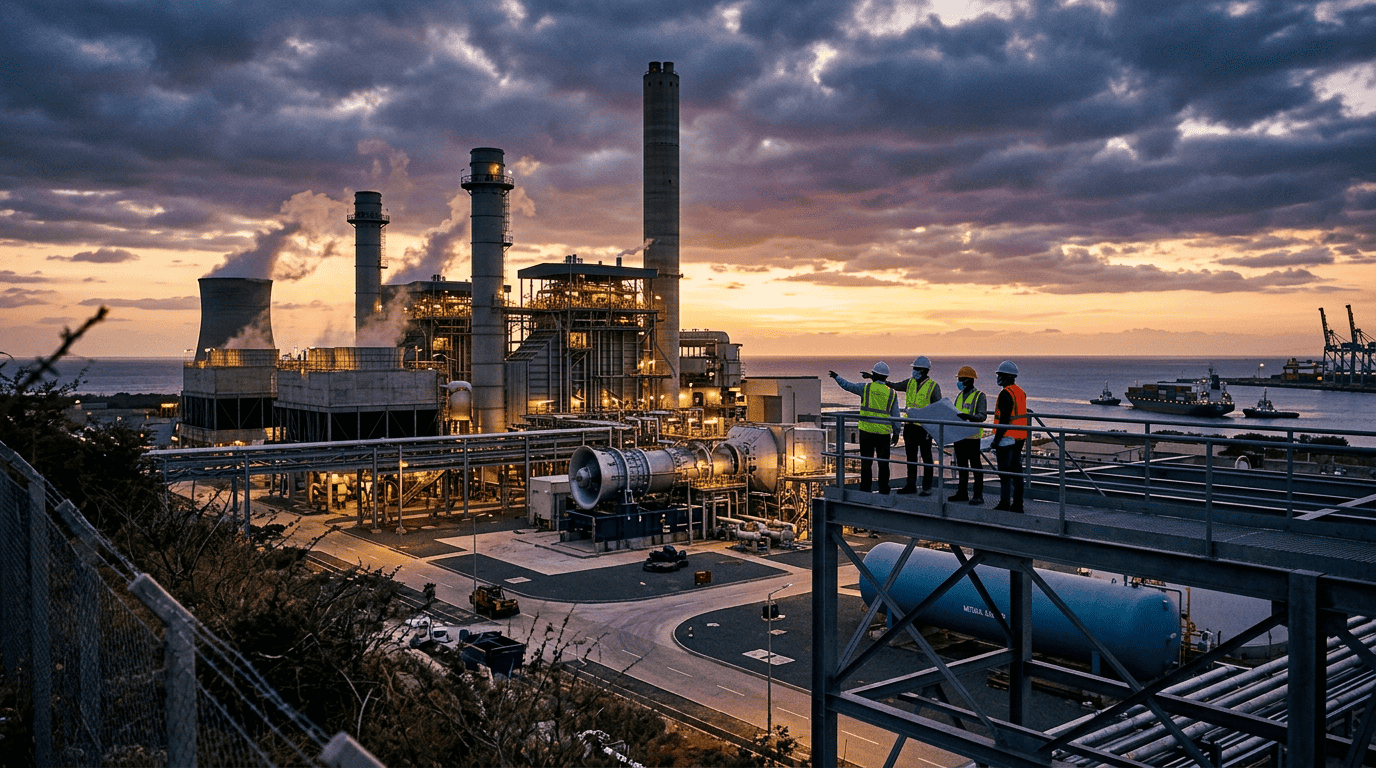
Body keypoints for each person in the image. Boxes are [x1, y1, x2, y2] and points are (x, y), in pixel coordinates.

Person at [828, 362, 900, 493]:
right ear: (886, 377)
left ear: (874, 374)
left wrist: (836, 377)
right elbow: (896, 416)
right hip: (883, 434)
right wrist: (896, 433)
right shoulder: (892, 393)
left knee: (866, 463)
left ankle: (865, 489)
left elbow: (847, 385)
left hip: (866, 432)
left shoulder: (865, 388)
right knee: (883, 463)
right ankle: (884, 489)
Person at [882, 356, 942, 495]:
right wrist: (880, 379)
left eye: (915, 368)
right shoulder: (909, 383)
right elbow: (895, 385)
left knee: (927, 457)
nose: (913, 371)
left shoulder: (933, 387)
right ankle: (911, 485)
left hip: (924, 428)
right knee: (911, 458)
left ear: (923, 370)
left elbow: (938, 408)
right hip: (909, 426)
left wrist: (932, 428)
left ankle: (927, 487)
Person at [991, 360, 1028, 513]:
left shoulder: (1005, 393)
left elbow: (1004, 419)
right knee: (1016, 472)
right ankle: (1018, 504)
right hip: (1020, 436)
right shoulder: (1020, 392)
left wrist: (995, 440)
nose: (998, 378)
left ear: (1007, 376)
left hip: (1007, 438)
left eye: (1000, 375)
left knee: (1005, 473)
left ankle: (1004, 502)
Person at [948, 365, 987, 504]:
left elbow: (982, 416)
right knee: (962, 466)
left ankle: (978, 495)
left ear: (969, 380)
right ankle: (962, 493)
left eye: (961, 379)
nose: (959, 382)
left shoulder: (979, 396)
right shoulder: (960, 396)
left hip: (972, 437)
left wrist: (968, 417)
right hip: (959, 436)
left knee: (976, 466)